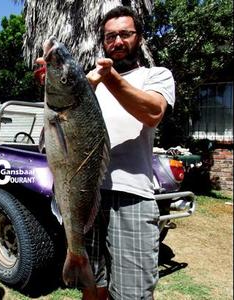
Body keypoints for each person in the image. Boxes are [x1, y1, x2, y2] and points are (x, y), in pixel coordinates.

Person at [83, 6, 175, 300]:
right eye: (110, 36)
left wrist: (109, 78)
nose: (118, 41)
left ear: (139, 38)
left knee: (131, 294)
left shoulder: (155, 76)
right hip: (89, 196)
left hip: (133, 197)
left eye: (125, 34)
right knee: (91, 286)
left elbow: (153, 112)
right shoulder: (89, 84)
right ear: (103, 42)